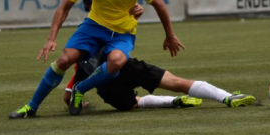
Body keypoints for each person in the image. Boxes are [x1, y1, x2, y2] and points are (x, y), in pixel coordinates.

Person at [9, 0, 185, 119]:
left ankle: (80, 88)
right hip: (94, 26)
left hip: (122, 33)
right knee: (64, 60)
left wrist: (170, 35)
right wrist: (51, 39)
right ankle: (31, 107)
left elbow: (158, 3)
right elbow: (64, 8)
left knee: (117, 61)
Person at [63, 56, 256, 111]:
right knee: (177, 82)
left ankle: (173, 102)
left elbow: (67, 96)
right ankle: (227, 97)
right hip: (127, 68)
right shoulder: (106, 28)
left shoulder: (79, 57)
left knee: (134, 103)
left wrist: (80, 103)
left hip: (107, 88)